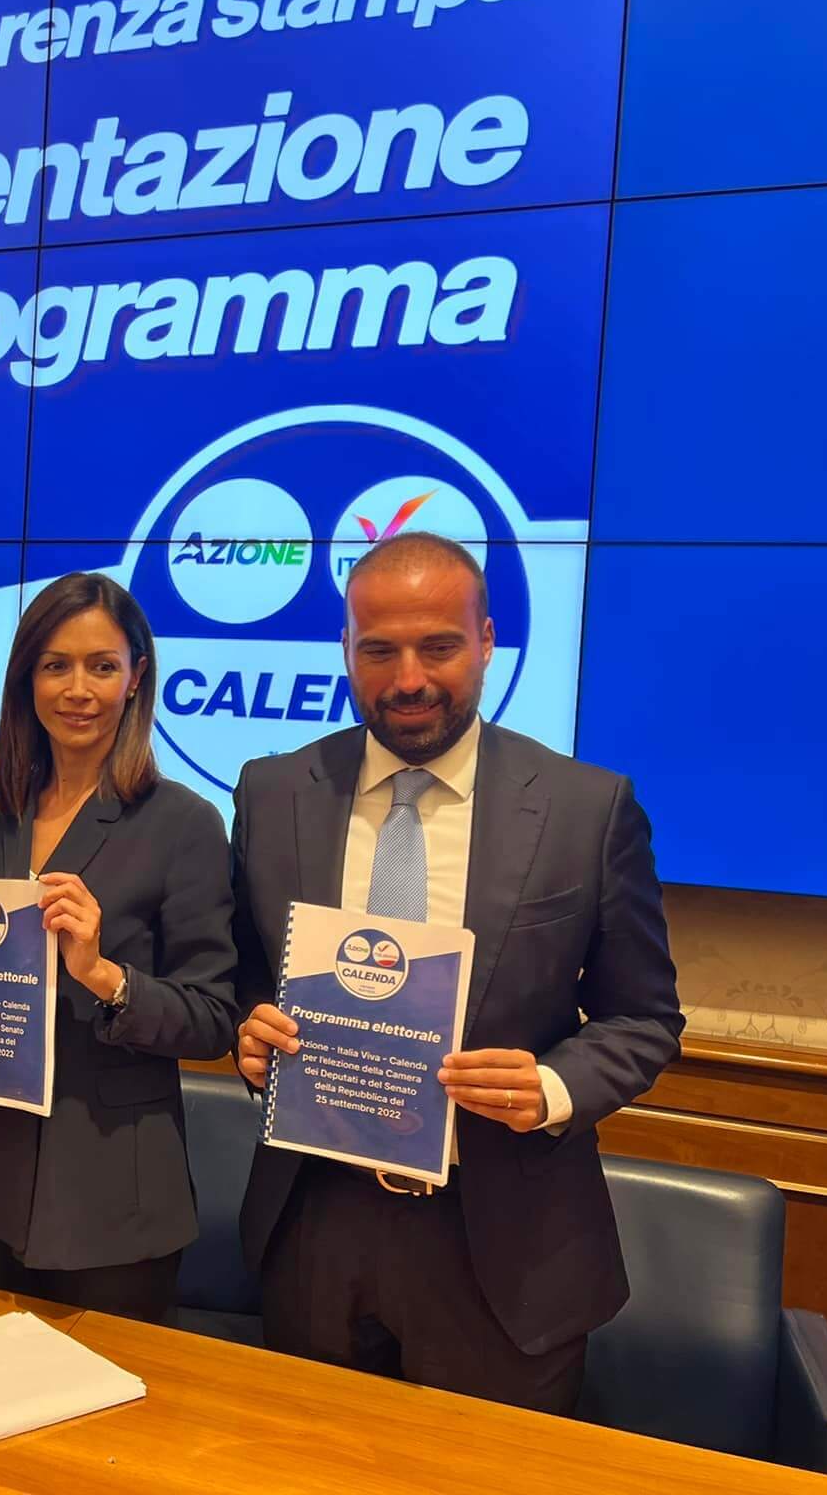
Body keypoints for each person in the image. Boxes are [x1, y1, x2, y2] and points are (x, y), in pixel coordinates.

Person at [231, 531, 682, 1413]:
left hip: (506, 1243)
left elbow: (645, 1018)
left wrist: (551, 1086)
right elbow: (251, 974)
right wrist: (251, 1032)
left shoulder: (586, 808)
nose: (408, 678)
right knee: (307, 1463)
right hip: (315, 1225)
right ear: (346, 650)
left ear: (485, 641)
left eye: (437, 646)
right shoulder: (273, 791)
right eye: (379, 650)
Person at [0, 573, 238, 1323]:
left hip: (112, 1193)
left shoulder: (184, 822)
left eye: (101, 666)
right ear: (27, 678)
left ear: (135, 677)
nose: (78, 690)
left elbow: (214, 1019)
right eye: (56, 666)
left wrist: (104, 974)